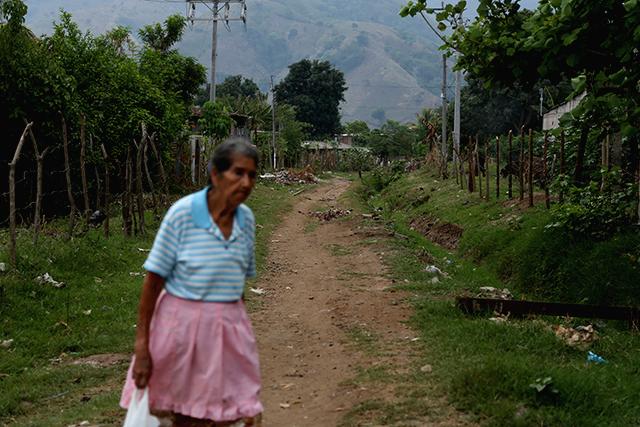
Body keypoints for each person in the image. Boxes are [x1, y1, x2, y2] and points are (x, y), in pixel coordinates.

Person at [120, 137, 263, 427]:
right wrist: (142, 347)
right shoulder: (182, 214)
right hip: (182, 332)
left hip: (229, 332)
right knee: (189, 417)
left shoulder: (246, 221)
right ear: (215, 174)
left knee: (238, 414)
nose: (246, 183)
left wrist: (242, 340)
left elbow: (237, 288)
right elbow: (152, 284)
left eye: (252, 175)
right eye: (238, 172)